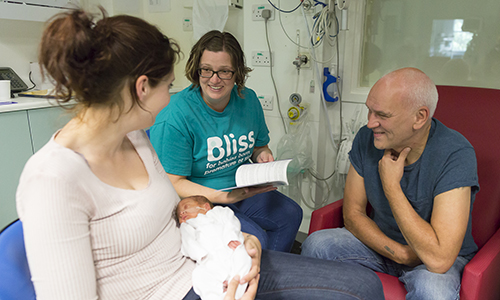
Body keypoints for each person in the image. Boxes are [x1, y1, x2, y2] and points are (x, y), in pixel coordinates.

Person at [16, 7, 386, 300]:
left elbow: (173, 217)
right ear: (142, 88)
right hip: (182, 290)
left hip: (204, 266)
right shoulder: (53, 179)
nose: (173, 96)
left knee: (364, 285)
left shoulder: (135, 141)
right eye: (170, 85)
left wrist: (234, 241)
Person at [301, 67, 479, 300]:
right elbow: (353, 214)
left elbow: (439, 259)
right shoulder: (368, 138)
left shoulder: (455, 154)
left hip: (431, 260)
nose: (370, 123)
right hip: (382, 246)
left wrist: (391, 186)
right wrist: (400, 254)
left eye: (382, 116)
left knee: (434, 293)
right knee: (316, 245)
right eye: (370, 111)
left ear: (420, 117)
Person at [149, 30, 302, 252]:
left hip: (241, 188)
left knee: (290, 214)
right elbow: (173, 182)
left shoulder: (248, 100)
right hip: (201, 197)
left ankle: (274, 276)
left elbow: (259, 146)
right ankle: (254, 276)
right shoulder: (176, 115)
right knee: (255, 237)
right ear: (196, 69)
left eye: (224, 72)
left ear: (237, 72)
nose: (214, 79)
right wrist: (224, 197)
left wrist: (262, 156)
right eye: (207, 70)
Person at [175, 195, 251, 300]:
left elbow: (230, 222)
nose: (182, 213)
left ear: (205, 206)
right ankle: (216, 296)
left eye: (186, 207)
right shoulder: (188, 225)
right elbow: (188, 241)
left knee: (243, 259)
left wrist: (231, 238)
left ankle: (236, 290)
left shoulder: (218, 213)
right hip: (210, 258)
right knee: (199, 276)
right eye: (179, 214)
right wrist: (199, 254)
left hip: (230, 249)